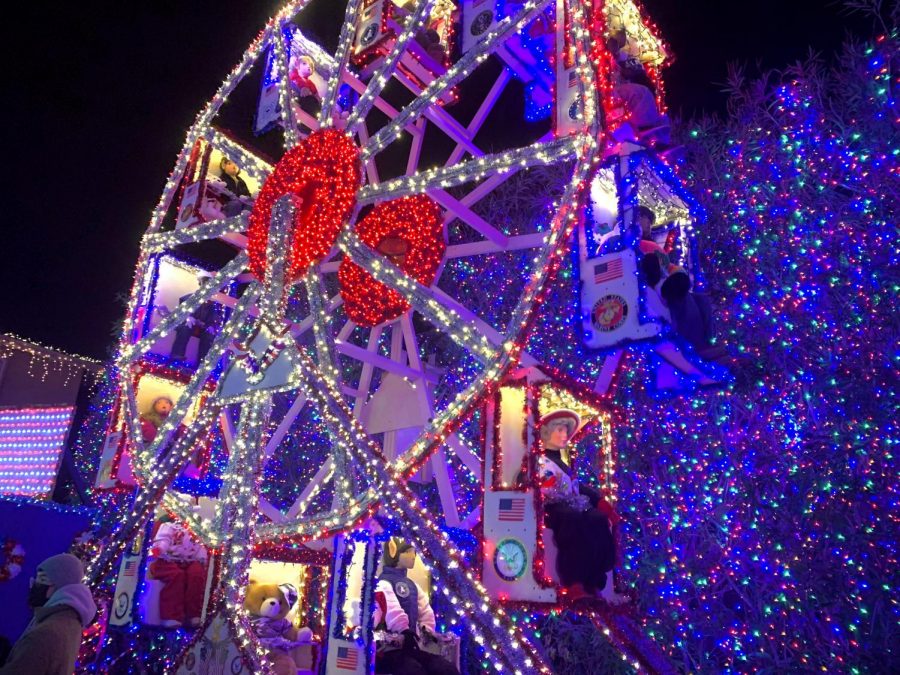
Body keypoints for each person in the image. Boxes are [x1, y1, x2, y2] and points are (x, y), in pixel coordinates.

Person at [538, 410, 626, 603]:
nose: (564, 435)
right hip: (552, 508)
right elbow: (530, 483)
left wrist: (601, 503)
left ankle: (594, 580)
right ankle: (574, 582)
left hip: (573, 504)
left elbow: (577, 487)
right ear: (546, 432)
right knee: (572, 520)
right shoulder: (538, 461)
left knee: (597, 519)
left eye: (566, 431)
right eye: (560, 430)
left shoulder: (563, 462)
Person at [373, 538, 459, 675]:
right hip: (389, 650)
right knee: (413, 670)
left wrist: (427, 632)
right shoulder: (382, 584)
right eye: (408, 552)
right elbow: (393, 610)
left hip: (411, 648)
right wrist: (403, 631)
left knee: (446, 669)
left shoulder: (413, 586)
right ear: (393, 551)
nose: (413, 555)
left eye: (414, 551)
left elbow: (426, 613)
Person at [0, 553, 97, 675]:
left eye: (42, 579)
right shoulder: (70, 621)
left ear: (58, 586)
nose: (33, 585)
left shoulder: (45, 633)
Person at [170, 272, 226, 364]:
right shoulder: (191, 297)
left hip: (201, 327)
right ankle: (177, 356)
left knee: (209, 335)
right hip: (188, 324)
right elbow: (181, 310)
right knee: (186, 327)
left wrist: (211, 326)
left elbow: (213, 318)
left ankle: (202, 364)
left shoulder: (212, 304)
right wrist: (187, 316)